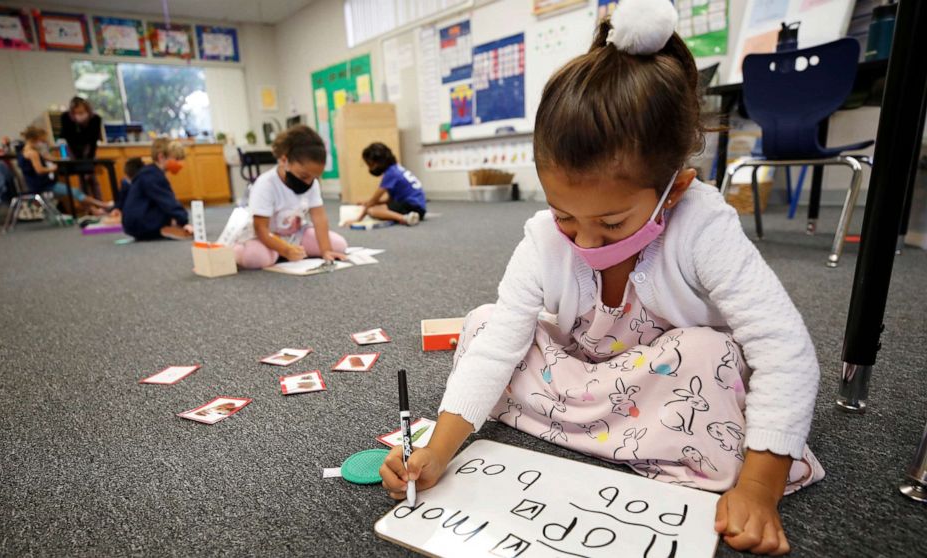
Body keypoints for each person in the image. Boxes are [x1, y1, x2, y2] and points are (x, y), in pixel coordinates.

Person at [378, 1, 823, 556]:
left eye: (612, 223)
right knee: (484, 326)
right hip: (591, 379)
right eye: (565, 214)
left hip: (662, 382)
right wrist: (439, 449)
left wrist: (759, 489)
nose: (583, 243)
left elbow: (786, 352)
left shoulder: (704, 226)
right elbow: (499, 347)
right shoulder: (542, 238)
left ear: (674, 189)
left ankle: (592, 429)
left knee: (708, 356)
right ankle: (625, 437)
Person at [233, 125, 347, 269]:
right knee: (255, 258)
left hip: (295, 235)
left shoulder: (312, 183)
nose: (309, 182)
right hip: (265, 237)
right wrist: (284, 249)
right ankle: (238, 249)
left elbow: (319, 218)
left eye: (315, 177)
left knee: (339, 246)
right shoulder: (266, 184)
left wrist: (326, 250)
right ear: (284, 161)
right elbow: (261, 228)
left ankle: (284, 253)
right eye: (304, 176)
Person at [18, 126, 112, 215]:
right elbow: (39, 170)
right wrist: (53, 168)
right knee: (75, 192)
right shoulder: (32, 153)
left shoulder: (25, 151)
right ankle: (103, 205)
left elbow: (47, 158)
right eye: (42, 140)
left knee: (75, 193)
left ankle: (95, 210)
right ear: (36, 138)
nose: (42, 142)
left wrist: (59, 160)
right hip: (42, 185)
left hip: (35, 183)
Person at [120, 139, 192, 240]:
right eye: (176, 159)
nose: (180, 163)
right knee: (167, 208)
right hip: (140, 224)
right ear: (161, 157)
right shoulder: (153, 176)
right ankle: (165, 227)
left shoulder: (149, 173)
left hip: (133, 224)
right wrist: (184, 221)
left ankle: (168, 226)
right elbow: (168, 202)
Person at [354, 142, 426, 226]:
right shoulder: (396, 168)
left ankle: (405, 218)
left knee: (371, 210)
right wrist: (367, 203)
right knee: (377, 207)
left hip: (412, 207)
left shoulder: (390, 174)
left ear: (379, 162)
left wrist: (357, 220)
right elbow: (390, 200)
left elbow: (374, 200)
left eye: (370, 164)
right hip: (418, 207)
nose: (370, 168)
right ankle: (407, 216)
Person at [60, 97, 103, 197]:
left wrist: (88, 164)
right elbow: (70, 140)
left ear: (87, 110)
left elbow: (93, 142)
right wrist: (81, 164)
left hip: (88, 147)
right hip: (73, 147)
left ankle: (99, 204)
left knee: (92, 177)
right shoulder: (66, 118)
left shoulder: (95, 119)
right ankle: (89, 207)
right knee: (82, 177)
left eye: (81, 112)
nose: (79, 115)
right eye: (76, 113)